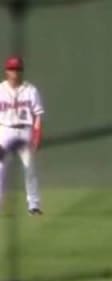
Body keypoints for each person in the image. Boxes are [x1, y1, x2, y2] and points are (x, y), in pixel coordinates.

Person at [0, 55, 43, 215]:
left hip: (25, 130)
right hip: (4, 130)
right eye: (11, 68)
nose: (14, 72)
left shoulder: (31, 90)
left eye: (17, 69)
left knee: (29, 168)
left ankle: (33, 204)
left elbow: (37, 115)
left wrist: (37, 134)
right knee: (0, 167)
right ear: (6, 71)